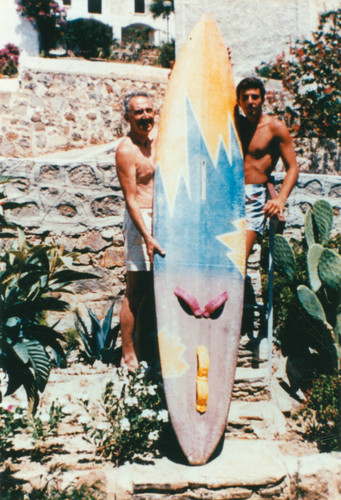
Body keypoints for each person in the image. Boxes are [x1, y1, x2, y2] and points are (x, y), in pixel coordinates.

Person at [115, 92, 164, 372]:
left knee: (156, 289)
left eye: (148, 111)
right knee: (136, 290)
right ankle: (129, 355)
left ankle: (147, 348)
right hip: (140, 222)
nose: (145, 116)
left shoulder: (156, 142)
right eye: (138, 112)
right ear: (128, 118)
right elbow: (131, 199)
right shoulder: (127, 149)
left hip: (162, 219)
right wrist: (147, 236)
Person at [235, 77, 299, 260]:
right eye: (244, 97)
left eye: (254, 97)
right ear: (238, 101)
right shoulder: (235, 123)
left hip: (253, 196)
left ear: (262, 99)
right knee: (221, 256)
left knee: (239, 259)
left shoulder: (275, 127)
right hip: (230, 194)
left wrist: (280, 199)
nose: (249, 102)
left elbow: (293, 167)